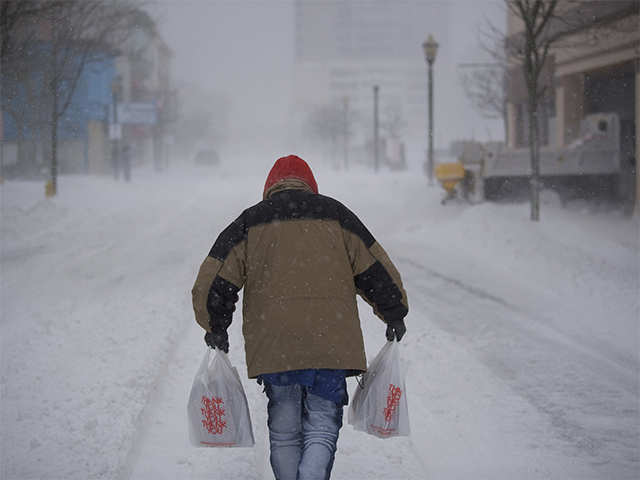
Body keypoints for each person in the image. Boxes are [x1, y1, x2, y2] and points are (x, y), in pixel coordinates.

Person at [191, 154, 408, 480]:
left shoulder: (251, 222)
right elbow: (374, 268)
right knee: (322, 423)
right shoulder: (337, 215)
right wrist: (393, 312)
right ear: (311, 186)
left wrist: (215, 324)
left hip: (276, 345)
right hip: (330, 342)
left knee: (284, 429)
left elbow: (214, 280)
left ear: (270, 187)